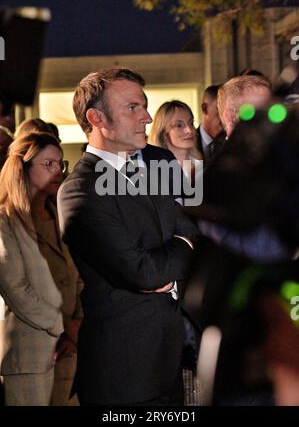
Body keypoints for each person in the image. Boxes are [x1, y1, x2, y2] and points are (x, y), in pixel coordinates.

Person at [57, 69, 198, 406]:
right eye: (132, 107)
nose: (147, 117)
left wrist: (175, 252)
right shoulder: (79, 191)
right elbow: (145, 273)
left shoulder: (151, 171)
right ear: (96, 118)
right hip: (122, 373)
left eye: (145, 106)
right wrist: (182, 247)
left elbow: (190, 226)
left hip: (168, 362)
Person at [0, 132, 64, 405]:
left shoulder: (56, 214)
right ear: (24, 169)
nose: (58, 171)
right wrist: (61, 325)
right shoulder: (5, 220)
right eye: (48, 164)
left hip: (67, 348)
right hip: (29, 352)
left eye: (61, 164)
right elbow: (15, 286)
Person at [196, 86, 225, 160]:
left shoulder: (233, 143)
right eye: (220, 108)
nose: (226, 115)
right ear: (205, 108)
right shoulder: (188, 143)